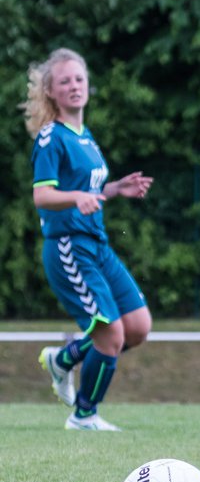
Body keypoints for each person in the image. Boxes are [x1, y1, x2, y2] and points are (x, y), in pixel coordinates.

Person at [23, 48, 153, 431]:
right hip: (68, 247)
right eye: (64, 81)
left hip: (97, 246)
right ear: (51, 91)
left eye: (79, 79)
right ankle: (84, 416)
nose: (74, 86)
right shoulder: (51, 138)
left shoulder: (85, 137)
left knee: (138, 327)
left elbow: (88, 190)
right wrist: (75, 197)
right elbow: (42, 195)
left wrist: (114, 189)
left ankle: (63, 360)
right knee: (110, 334)